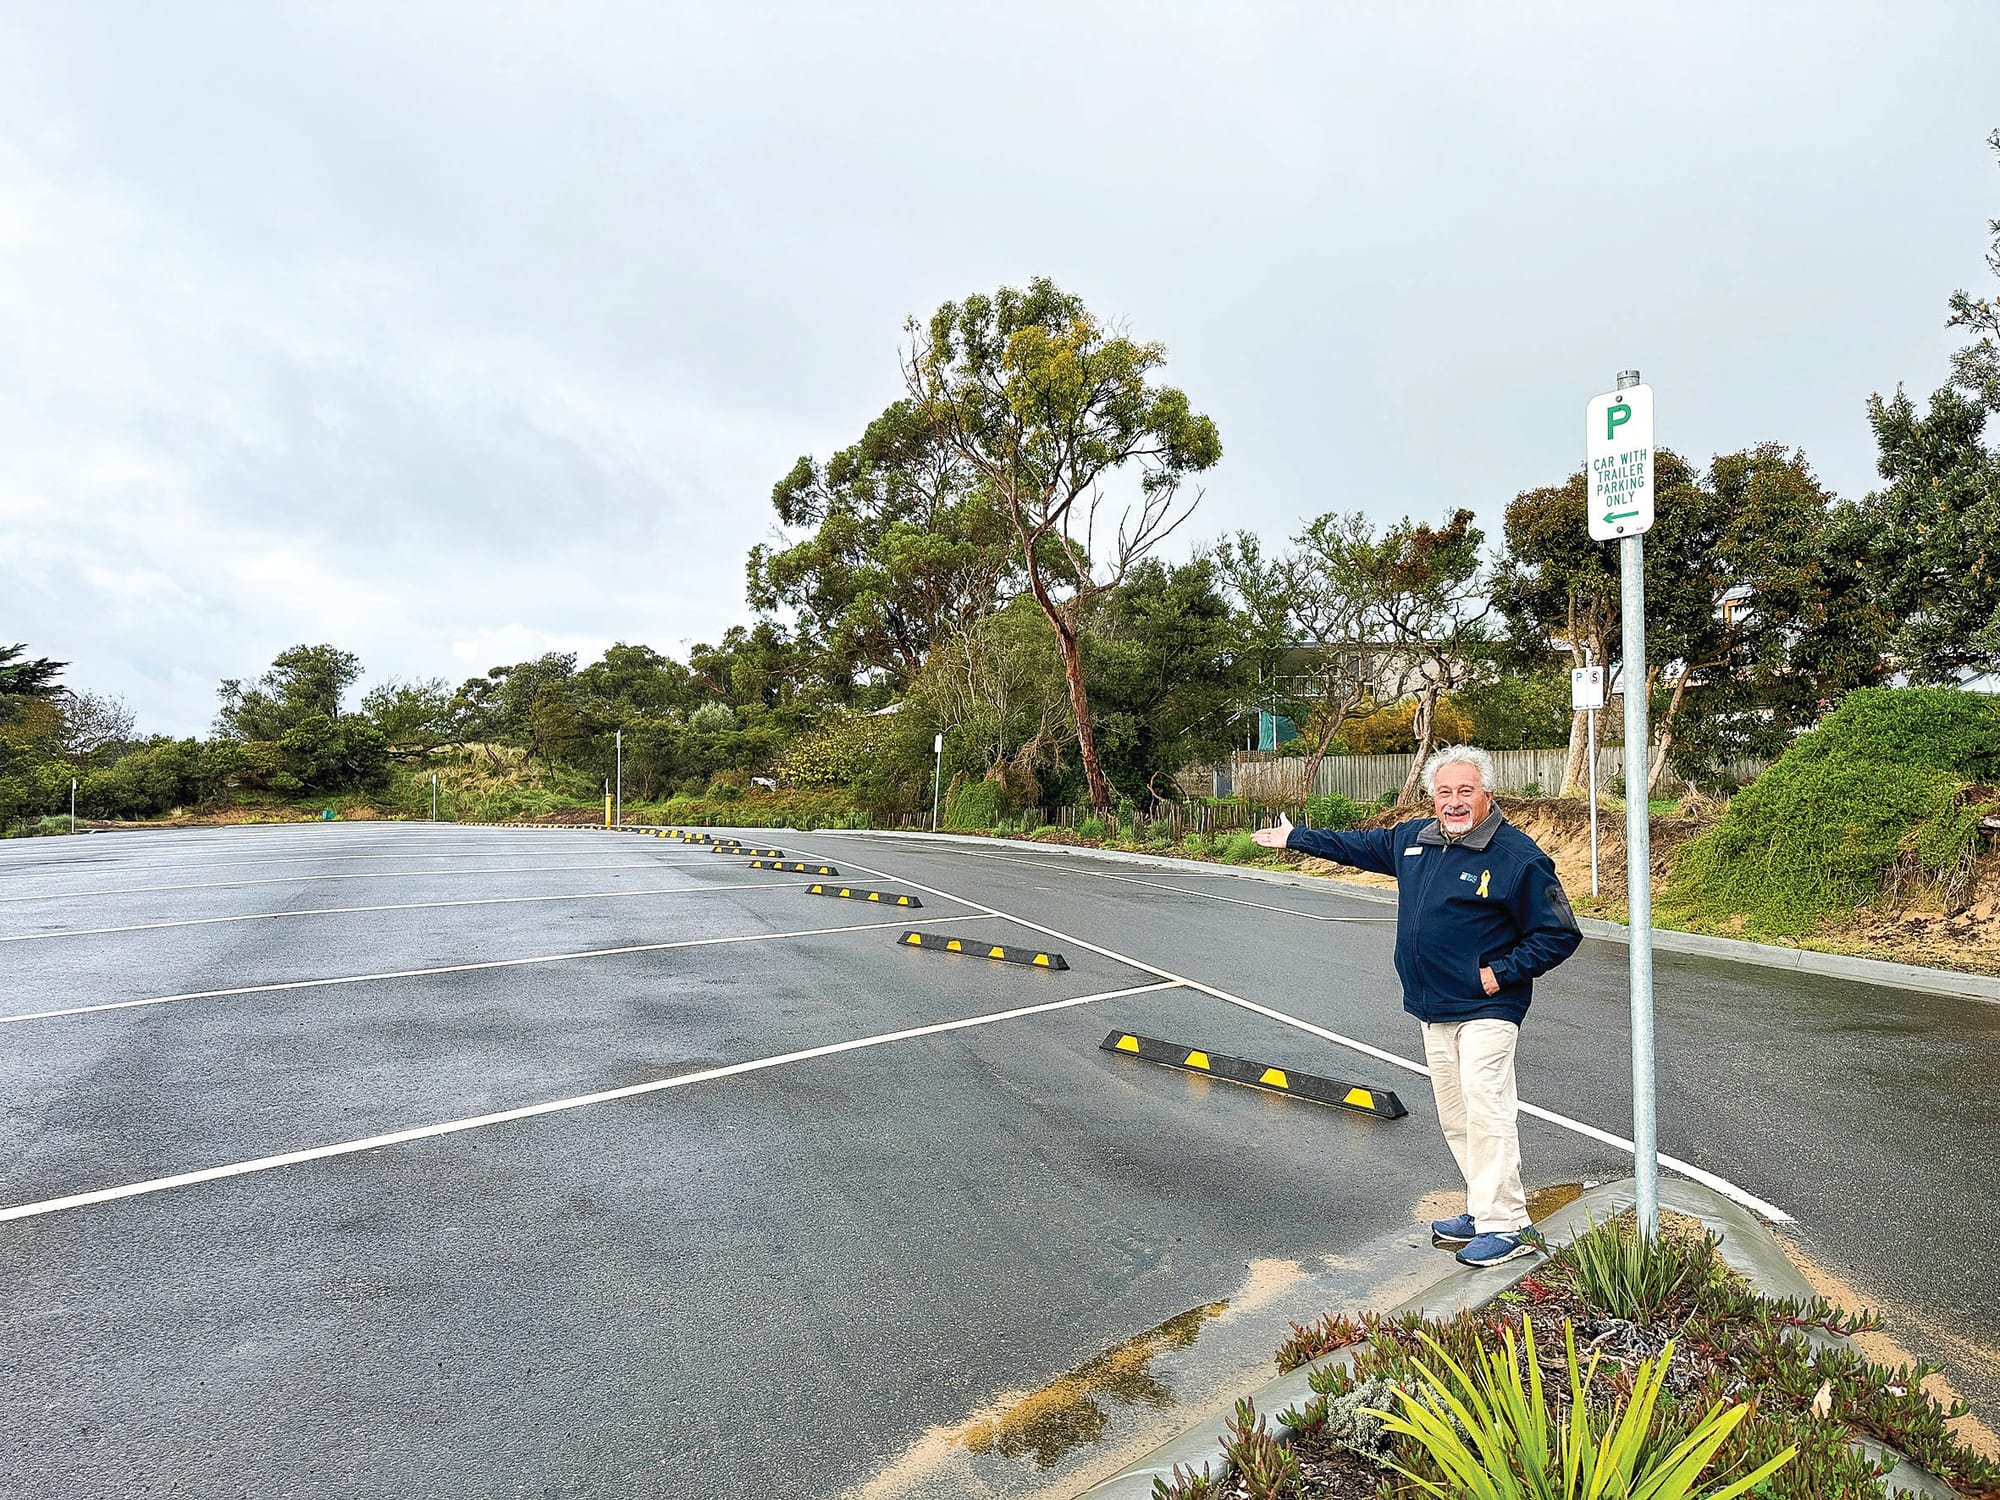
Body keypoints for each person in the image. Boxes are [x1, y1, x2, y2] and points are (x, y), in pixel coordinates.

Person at [1251, 745, 1582, 1267]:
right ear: (1433, 797)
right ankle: (1484, 1207)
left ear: (1486, 795)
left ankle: (1505, 1224)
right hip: (1432, 1004)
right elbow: (1356, 846)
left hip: (1489, 1007)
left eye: (1465, 791)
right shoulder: (1414, 841)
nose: (1454, 801)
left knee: (1485, 1104)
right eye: (1445, 792)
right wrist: (1297, 838)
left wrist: (1499, 974)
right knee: (1455, 1115)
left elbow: (1559, 932)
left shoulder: (1516, 857)